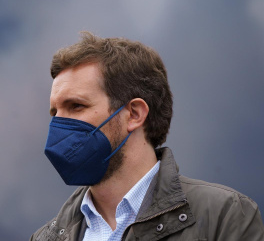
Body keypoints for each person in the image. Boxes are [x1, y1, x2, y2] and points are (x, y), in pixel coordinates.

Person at [30, 32, 264, 241]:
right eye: (55, 112)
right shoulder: (45, 238)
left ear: (134, 114)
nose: (58, 125)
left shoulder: (223, 216)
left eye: (76, 106)